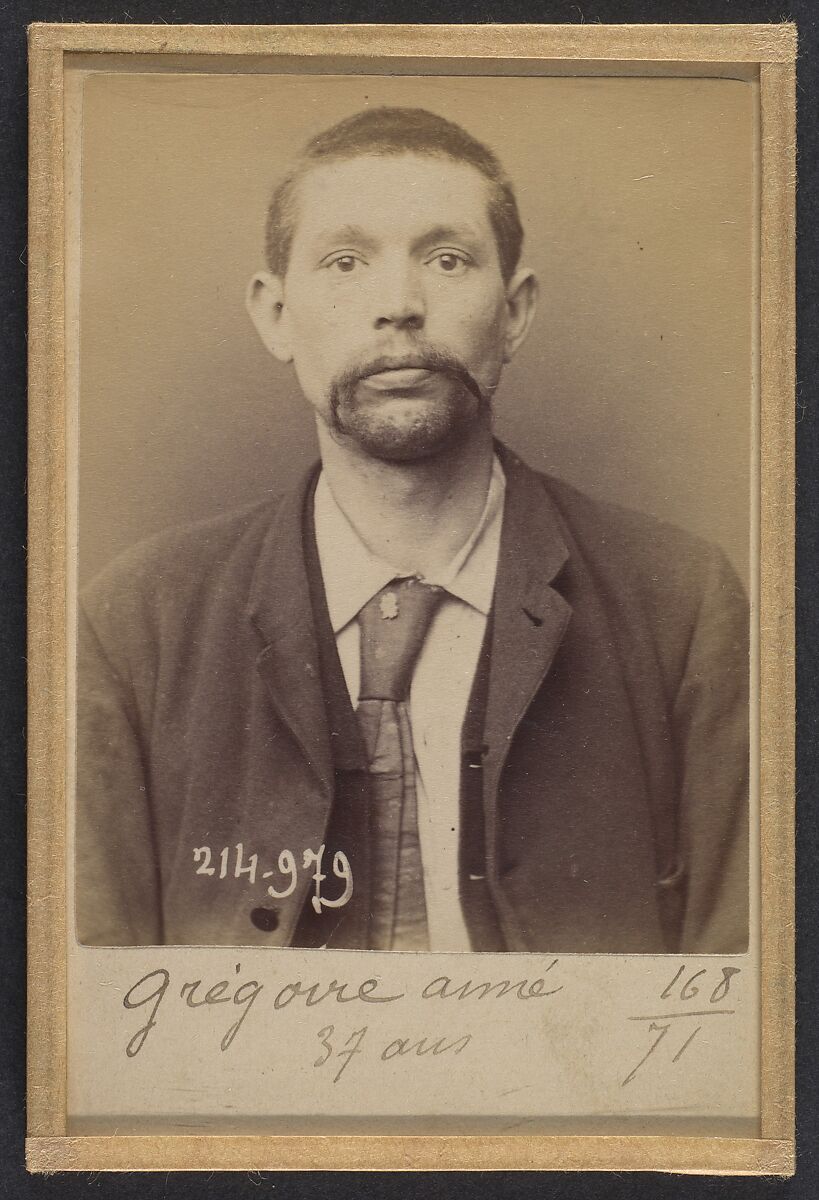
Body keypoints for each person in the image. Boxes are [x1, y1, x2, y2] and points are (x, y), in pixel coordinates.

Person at [76, 106, 749, 954]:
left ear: (514, 312)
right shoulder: (134, 626)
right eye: (345, 261)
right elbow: (87, 1019)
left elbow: (746, 1011)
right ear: (275, 314)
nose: (399, 305)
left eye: (446, 259)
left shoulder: (683, 607)